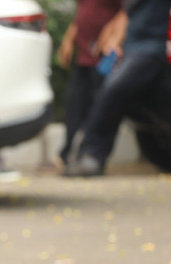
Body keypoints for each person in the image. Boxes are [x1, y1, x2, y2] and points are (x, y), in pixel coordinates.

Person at [64, 0, 171, 176]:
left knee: (114, 89)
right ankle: (78, 152)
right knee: (100, 89)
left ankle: (92, 154)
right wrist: (115, 38)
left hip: (151, 47)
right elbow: (124, 14)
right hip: (129, 46)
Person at [56, 0, 123, 166]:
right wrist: (68, 40)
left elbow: (127, 12)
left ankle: (91, 155)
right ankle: (67, 154)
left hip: (104, 58)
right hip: (83, 57)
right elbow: (82, 11)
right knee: (74, 104)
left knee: (100, 108)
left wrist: (114, 37)